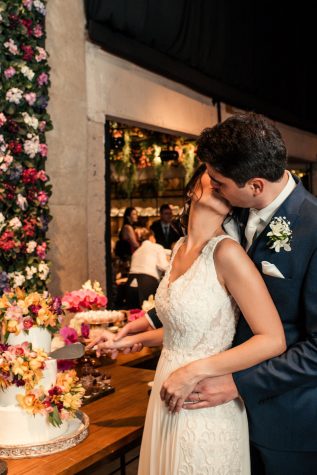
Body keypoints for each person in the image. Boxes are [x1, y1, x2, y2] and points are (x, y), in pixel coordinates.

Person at [136, 112, 317, 475]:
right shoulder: (233, 213)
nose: (212, 188)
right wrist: (147, 324)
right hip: (219, 414)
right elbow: (213, 296)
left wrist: (239, 383)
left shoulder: (313, 228)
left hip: (285, 423)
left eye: (219, 182)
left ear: (254, 185)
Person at [88, 164, 286, 474]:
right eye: (214, 173)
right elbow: (183, 331)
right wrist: (130, 339)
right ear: (193, 188)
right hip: (167, 392)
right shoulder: (179, 247)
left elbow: (273, 339)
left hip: (203, 396)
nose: (223, 179)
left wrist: (194, 371)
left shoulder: (227, 253)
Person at [125, 228, 169, 308]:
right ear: (151, 237)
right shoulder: (157, 247)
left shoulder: (136, 251)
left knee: (133, 313)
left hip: (130, 283)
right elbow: (162, 266)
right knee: (148, 313)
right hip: (147, 282)